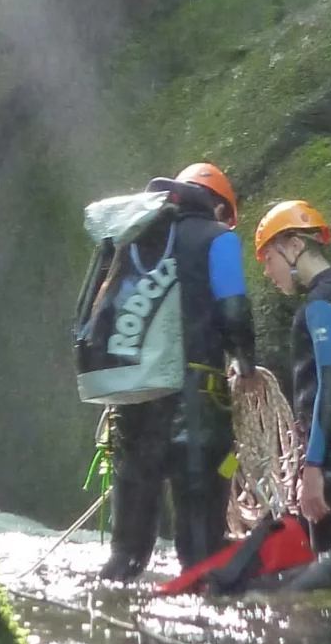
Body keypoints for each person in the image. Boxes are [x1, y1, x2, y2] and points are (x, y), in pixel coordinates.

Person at [101, 162, 257, 581]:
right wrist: (245, 363)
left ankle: (116, 602)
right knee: (200, 554)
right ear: (219, 208)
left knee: (127, 555)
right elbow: (233, 310)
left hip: (135, 399)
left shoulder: (136, 236)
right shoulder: (218, 239)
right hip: (198, 402)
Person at [253, 200, 331, 586]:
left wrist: (313, 467)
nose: (267, 272)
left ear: (293, 246)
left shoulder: (324, 301)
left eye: (269, 258)